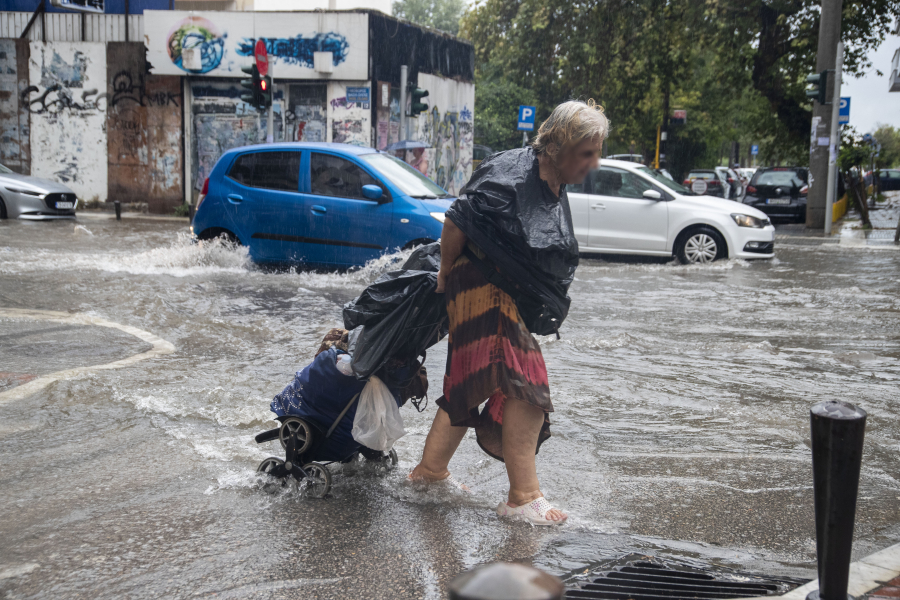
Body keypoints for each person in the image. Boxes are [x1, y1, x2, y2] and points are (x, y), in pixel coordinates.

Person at [409, 100, 610, 525]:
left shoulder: (555, 183)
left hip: (498, 291)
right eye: (587, 152)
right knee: (526, 380)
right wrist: (445, 276)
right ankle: (523, 497)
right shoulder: (511, 173)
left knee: (470, 379)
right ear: (557, 145)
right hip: (477, 282)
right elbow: (455, 222)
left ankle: (429, 473)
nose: (595, 162)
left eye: (597, 152)